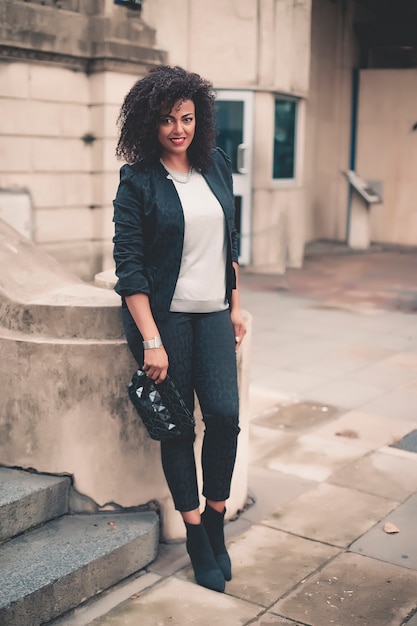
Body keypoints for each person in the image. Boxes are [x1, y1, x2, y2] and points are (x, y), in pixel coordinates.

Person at [112, 65, 246, 593]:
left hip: (213, 313)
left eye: (187, 118)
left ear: (200, 119)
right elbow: (130, 268)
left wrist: (235, 305)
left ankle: (215, 517)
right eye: (168, 119)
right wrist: (150, 339)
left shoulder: (215, 165)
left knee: (225, 417)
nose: (178, 129)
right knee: (178, 429)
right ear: (151, 123)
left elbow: (230, 243)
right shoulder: (138, 179)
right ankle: (194, 532)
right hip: (164, 320)